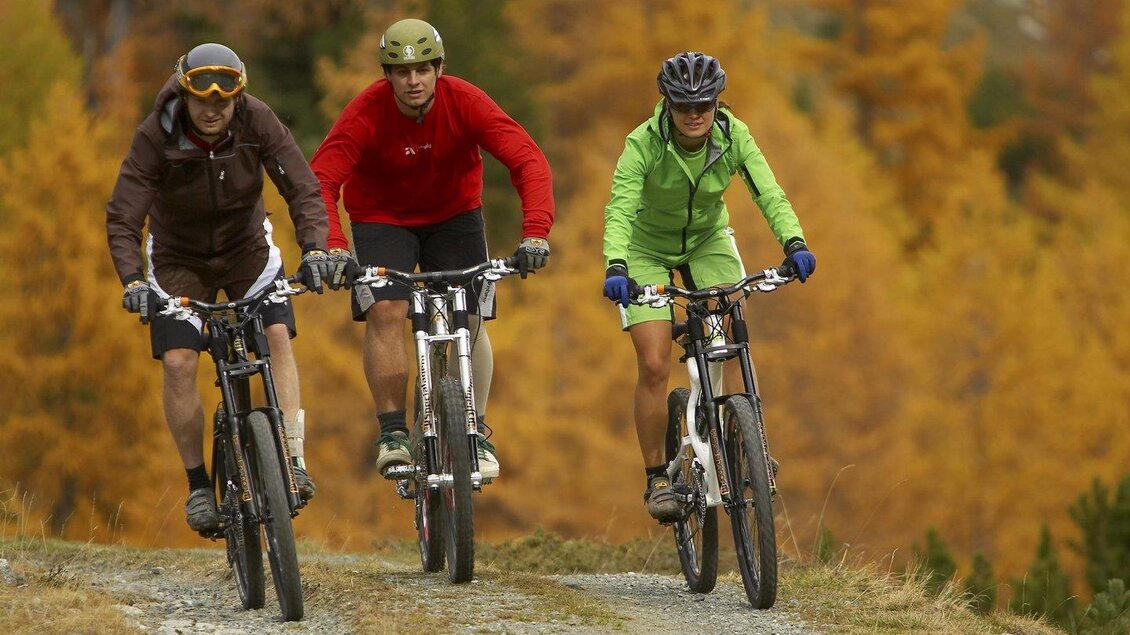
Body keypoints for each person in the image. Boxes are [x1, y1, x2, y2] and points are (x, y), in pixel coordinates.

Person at [106, 43, 346, 532]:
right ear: (183, 94)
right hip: (178, 260)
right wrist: (132, 279)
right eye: (201, 100)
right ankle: (198, 485)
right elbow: (124, 215)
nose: (212, 110)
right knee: (178, 362)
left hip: (246, 252)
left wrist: (316, 248)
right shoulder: (156, 134)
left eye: (224, 100)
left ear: (239, 97)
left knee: (277, 336)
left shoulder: (258, 121)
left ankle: (292, 461)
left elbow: (302, 187)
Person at [310, 18, 554, 480]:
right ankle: (392, 432)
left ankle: (475, 429)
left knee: (471, 315)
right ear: (387, 75)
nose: (414, 80)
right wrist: (334, 246)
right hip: (382, 218)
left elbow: (527, 159)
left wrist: (535, 232)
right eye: (402, 72)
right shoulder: (365, 112)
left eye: (423, 69)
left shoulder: (466, 101)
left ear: (440, 67)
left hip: (454, 214)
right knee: (386, 311)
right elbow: (321, 179)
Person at [600, 51, 816, 523]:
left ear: (719, 103)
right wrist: (616, 265)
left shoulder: (733, 134)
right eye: (683, 106)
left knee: (733, 338)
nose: (695, 115)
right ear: (668, 105)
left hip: (707, 241)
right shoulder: (642, 144)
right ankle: (657, 476)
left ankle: (745, 441)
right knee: (655, 362)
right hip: (645, 249)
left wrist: (794, 240)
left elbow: (768, 191)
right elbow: (620, 208)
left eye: (704, 104)